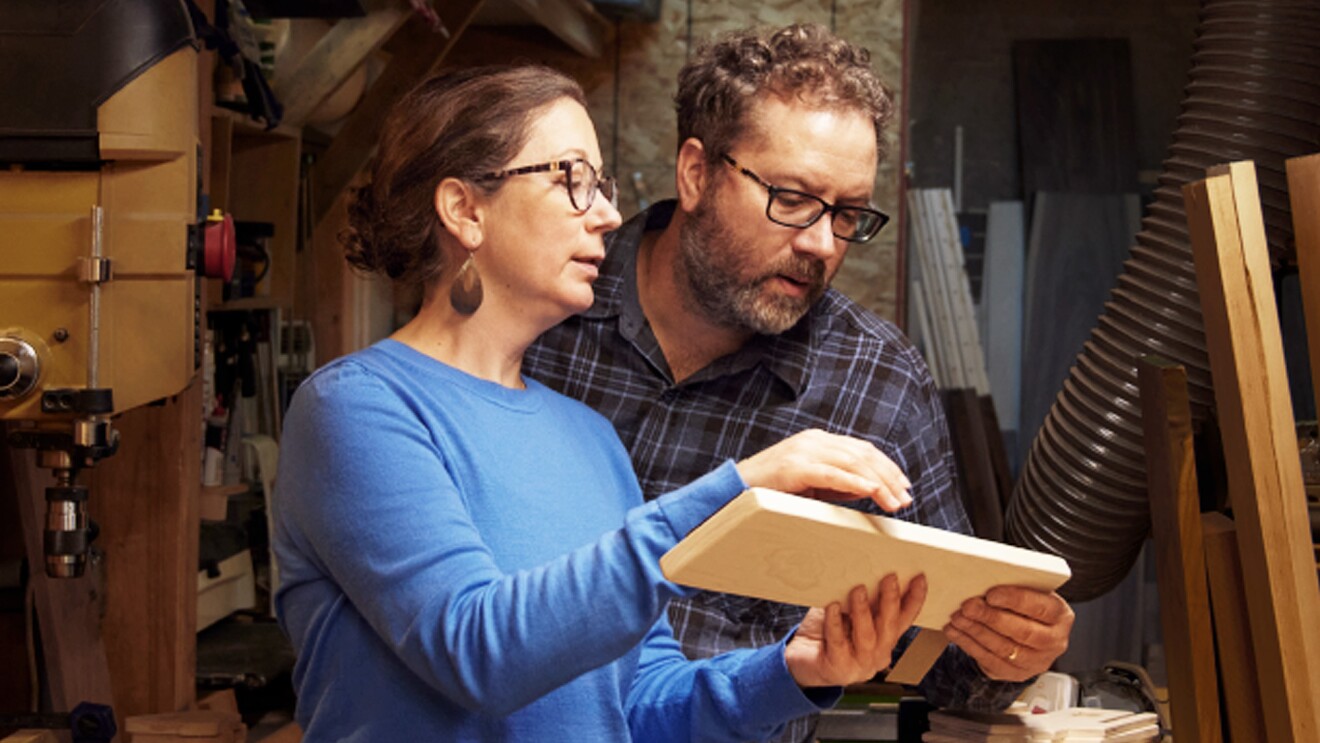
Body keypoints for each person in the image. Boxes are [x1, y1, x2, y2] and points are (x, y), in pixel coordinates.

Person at [271, 64, 932, 742]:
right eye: (572, 180)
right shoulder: (356, 410)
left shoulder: (588, 437)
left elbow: (640, 701)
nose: (610, 214)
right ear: (466, 209)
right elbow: (478, 651)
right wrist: (735, 493)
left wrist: (794, 669)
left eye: (602, 184)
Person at [523, 23, 1076, 741]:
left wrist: (1009, 645)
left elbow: (949, 669)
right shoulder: (543, 318)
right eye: (791, 197)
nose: (820, 243)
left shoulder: (876, 383)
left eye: (848, 214)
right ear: (695, 173)